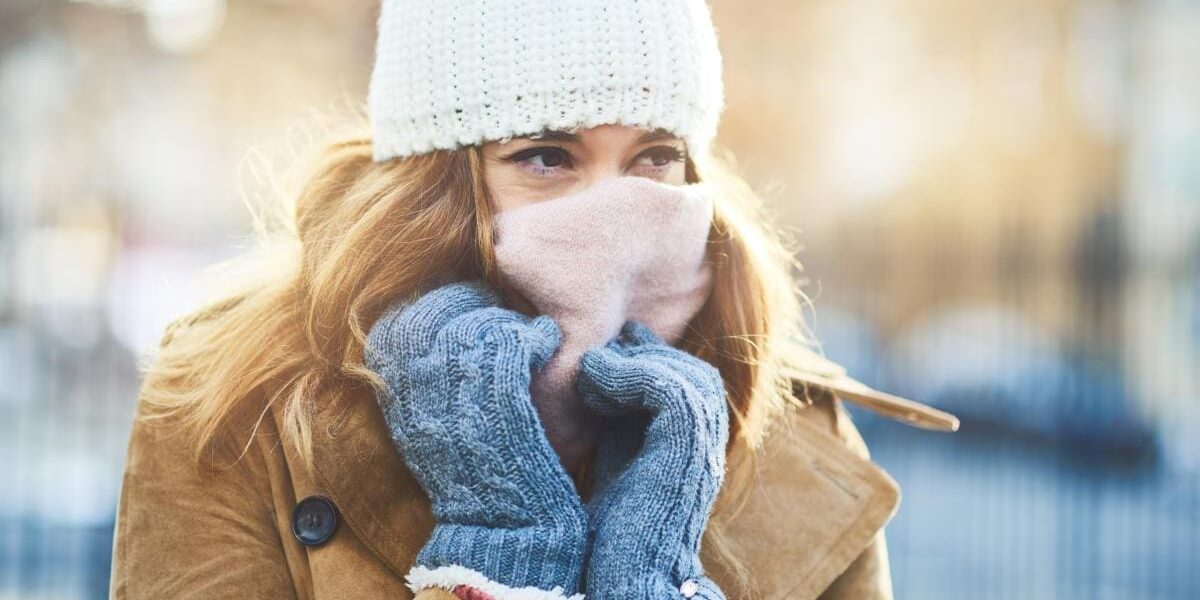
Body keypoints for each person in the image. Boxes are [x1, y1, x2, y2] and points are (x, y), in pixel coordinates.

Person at [108, 1, 959, 599]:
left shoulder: (792, 430)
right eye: (548, 155)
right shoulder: (240, 405)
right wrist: (501, 556)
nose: (617, 208)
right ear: (436, 179)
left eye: (656, 155)